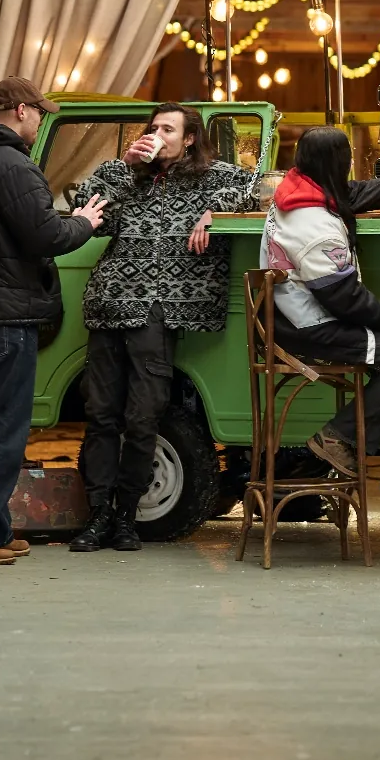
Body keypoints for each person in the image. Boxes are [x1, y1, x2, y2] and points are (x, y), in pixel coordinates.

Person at [64, 104, 258, 552]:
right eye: (153, 128)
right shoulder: (128, 177)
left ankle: (128, 516)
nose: (157, 135)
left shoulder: (213, 177)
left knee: (143, 415)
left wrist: (216, 215)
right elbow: (83, 210)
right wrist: (122, 164)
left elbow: (264, 187)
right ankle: (98, 517)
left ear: (189, 138)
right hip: (110, 303)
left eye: (167, 129)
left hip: (157, 312)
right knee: (100, 416)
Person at [0, 76, 108, 564]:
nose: (41, 119)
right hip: (7, 316)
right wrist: (86, 222)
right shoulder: (16, 167)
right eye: (38, 111)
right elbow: (47, 235)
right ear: (18, 110)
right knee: (2, 427)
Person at [259, 127, 380, 498]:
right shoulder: (313, 224)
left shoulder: (301, 192)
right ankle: (338, 438)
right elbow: (342, 298)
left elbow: (355, 194)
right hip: (310, 327)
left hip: (292, 317)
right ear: (339, 163)